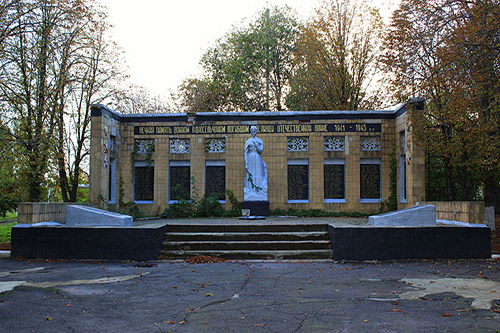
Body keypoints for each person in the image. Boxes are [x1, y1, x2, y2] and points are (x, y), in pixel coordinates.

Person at [244, 126, 268, 201]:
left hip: (257, 157)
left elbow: (260, 151)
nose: (253, 131)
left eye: (254, 130)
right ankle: (251, 190)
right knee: (251, 173)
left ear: (256, 131)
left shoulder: (260, 141)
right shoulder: (248, 141)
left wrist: (256, 144)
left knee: (258, 173)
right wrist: (246, 163)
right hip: (250, 157)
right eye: (252, 130)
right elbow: (245, 152)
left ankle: (259, 192)